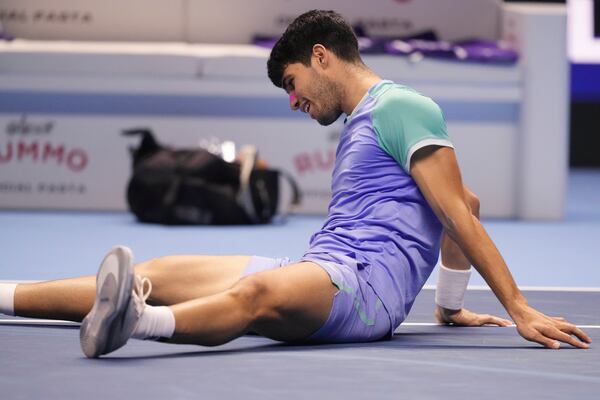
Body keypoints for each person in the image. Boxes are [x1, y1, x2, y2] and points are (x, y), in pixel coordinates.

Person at [0, 10, 591, 357]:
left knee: (253, 299)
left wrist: (515, 307)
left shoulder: (404, 107)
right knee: (164, 269)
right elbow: (470, 203)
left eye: (292, 81)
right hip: (324, 266)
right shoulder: (367, 119)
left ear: (321, 57)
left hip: (366, 290)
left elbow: (460, 216)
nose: (293, 101)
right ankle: (6, 293)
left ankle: (135, 324)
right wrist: (451, 307)